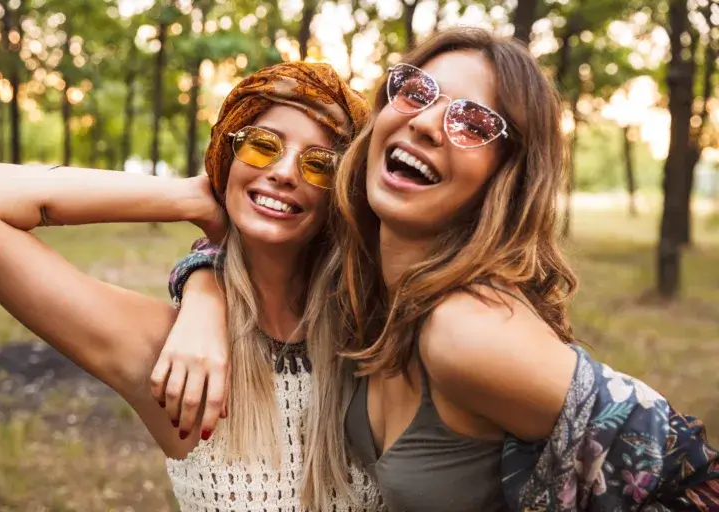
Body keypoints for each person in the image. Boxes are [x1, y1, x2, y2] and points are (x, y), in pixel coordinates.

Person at [165, 28, 719, 510]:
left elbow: (695, 475)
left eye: (473, 123)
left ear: (505, 178)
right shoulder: (369, 292)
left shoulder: (466, 330)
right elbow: (251, 247)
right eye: (415, 92)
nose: (428, 122)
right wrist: (201, 272)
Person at [0, 61, 384, 511]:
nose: (285, 172)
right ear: (226, 155)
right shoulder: (172, 355)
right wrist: (186, 198)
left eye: (319, 164)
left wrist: (203, 279)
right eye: (261, 145)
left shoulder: (373, 335)